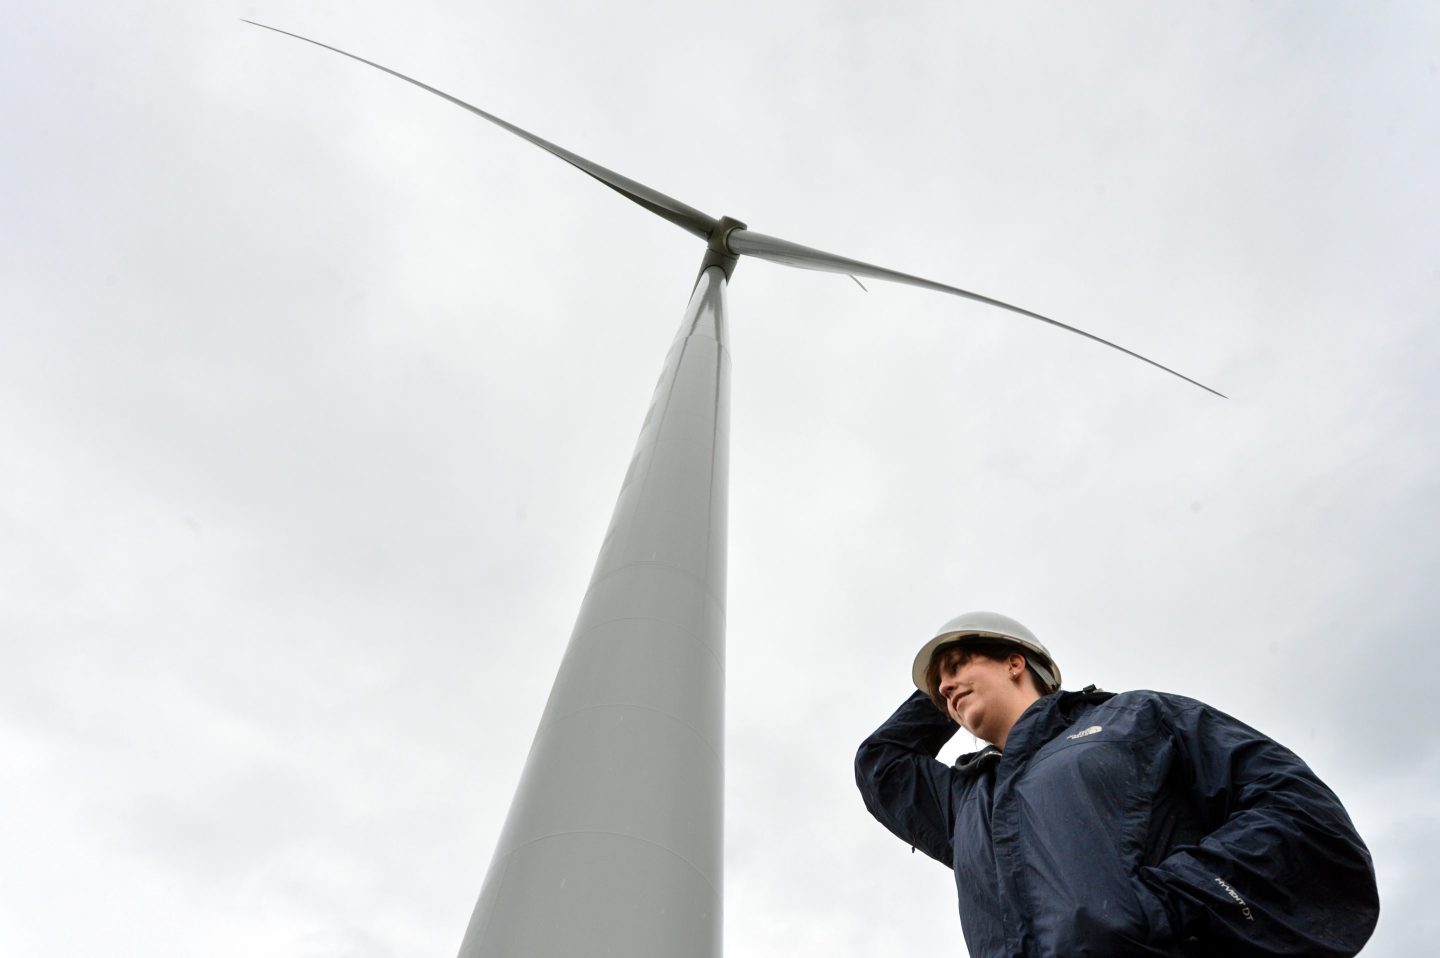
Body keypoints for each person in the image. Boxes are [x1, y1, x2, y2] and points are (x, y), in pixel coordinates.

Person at [855, 611, 1379, 958]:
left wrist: (1164, 903)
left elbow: (1299, 811)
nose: (944, 686)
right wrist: (945, 682)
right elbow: (882, 763)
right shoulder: (965, 801)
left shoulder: (1133, 718)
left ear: (1016, 661)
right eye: (937, 684)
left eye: (958, 664)